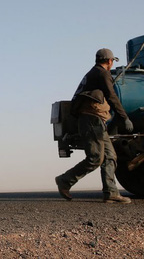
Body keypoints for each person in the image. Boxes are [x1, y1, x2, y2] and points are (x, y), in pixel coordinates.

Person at [55, 48, 134, 204]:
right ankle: (65, 180)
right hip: (91, 120)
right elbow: (112, 96)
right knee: (95, 158)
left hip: (96, 120)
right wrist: (124, 117)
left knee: (110, 156)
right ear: (110, 61)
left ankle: (111, 192)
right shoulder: (102, 74)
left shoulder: (93, 73)